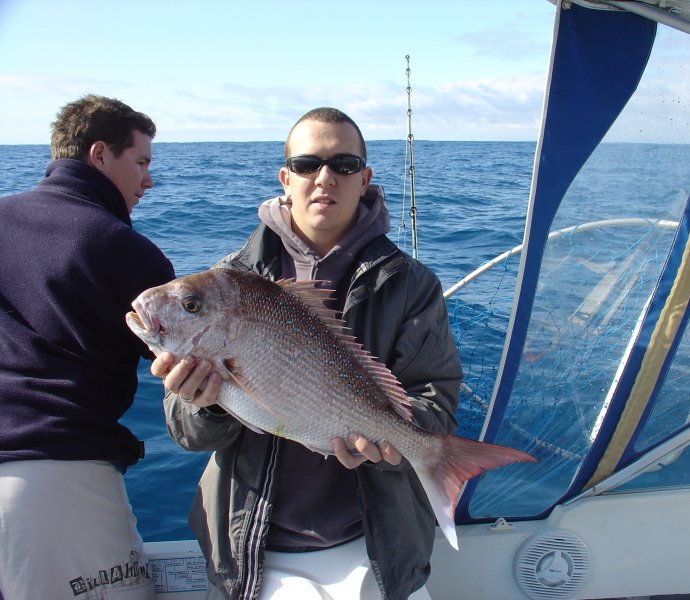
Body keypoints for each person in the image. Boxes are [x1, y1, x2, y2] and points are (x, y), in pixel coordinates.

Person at [153, 107, 463, 600]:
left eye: (343, 164)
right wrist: (200, 403)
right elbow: (187, 433)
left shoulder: (410, 285)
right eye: (306, 164)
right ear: (285, 178)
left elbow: (435, 400)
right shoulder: (228, 281)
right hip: (253, 550)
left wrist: (390, 449)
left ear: (364, 178)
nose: (324, 178)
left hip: (372, 548)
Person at [0, 95, 176, 599]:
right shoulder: (124, 250)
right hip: (54, 482)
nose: (148, 180)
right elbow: (196, 372)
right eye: (141, 162)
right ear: (100, 155)